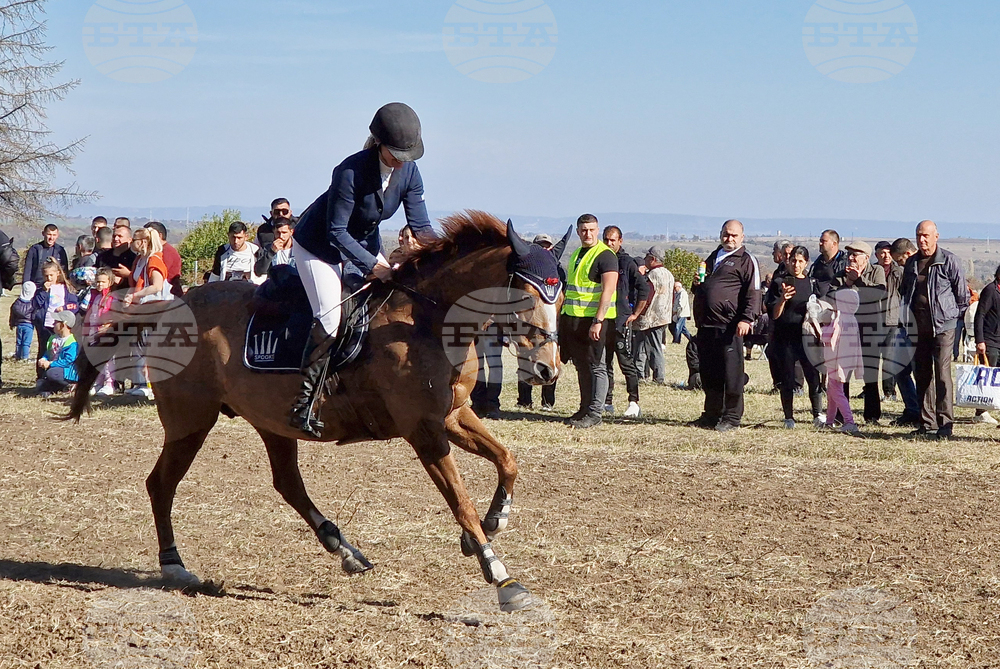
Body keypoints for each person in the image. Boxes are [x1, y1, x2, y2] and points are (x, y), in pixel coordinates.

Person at [289, 102, 435, 437]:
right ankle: (304, 402)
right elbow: (336, 232)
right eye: (397, 152)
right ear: (380, 143)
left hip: (364, 241)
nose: (403, 159)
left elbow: (422, 226)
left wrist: (435, 256)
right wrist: (374, 266)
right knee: (330, 316)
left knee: (382, 306)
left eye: (407, 153)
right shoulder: (350, 171)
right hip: (319, 247)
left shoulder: (410, 171)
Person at [690, 220, 761, 432]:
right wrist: (696, 284)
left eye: (734, 235)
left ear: (742, 237)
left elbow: (754, 291)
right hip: (707, 324)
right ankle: (711, 414)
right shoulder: (714, 257)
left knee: (732, 373)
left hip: (730, 325)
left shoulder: (746, 260)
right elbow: (704, 288)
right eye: (726, 234)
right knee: (710, 372)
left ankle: (731, 416)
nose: (729, 239)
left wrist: (747, 318)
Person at [900, 220, 968, 439]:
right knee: (922, 373)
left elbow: (962, 297)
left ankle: (945, 423)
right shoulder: (911, 263)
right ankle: (926, 422)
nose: (922, 240)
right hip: (918, 328)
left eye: (926, 236)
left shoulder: (949, 261)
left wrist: (952, 320)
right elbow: (905, 293)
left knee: (942, 373)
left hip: (944, 327)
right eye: (919, 235)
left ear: (936, 236)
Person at [559, 214, 618, 429]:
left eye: (592, 229)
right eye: (584, 230)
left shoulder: (605, 255)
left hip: (596, 322)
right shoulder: (576, 254)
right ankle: (584, 409)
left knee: (597, 366)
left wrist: (598, 320)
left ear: (597, 229)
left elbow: (608, 290)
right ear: (578, 231)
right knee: (582, 366)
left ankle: (595, 412)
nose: (588, 234)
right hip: (575, 320)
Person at [765, 245, 824, 428]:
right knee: (788, 378)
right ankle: (789, 417)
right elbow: (774, 314)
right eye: (793, 261)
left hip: (806, 337)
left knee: (813, 376)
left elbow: (822, 307)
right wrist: (783, 298)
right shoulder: (779, 282)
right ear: (788, 261)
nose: (796, 265)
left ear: (806, 262)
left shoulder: (812, 283)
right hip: (785, 337)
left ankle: (817, 414)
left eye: (800, 261)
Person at [835, 240, 887, 424]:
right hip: (846, 330)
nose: (851, 258)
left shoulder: (877, 271)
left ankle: (872, 416)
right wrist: (848, 282)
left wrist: (858, 280)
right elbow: (833, 295)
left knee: (870, 374)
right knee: (844, 374)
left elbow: (878, 294)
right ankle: (842, 414)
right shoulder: (842, 274)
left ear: (866, 257)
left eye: (855, 254)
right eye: (849, 254)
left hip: (870, 329)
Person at [601, 226, 648, 418]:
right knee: (605, 363)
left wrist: (635, 313)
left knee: (626, 363)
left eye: (613, 240)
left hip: (621, 321)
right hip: (604, 320)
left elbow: (643, 289)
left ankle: (633, 402)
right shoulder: (601, 260)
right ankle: (607, 401)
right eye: (606, 240)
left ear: (620, 241)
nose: (609, 243)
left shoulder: (627, 263)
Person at [123, 227, 174, 399]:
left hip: (154, 306)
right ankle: (139, 382)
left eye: (135, 240)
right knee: (138, 344)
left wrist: (135, 295)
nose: (132, 243)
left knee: (148, 344)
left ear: (144, 241)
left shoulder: (154, 260)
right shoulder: (140, 260)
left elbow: (157, 286)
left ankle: (150, 385)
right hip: (141, 307)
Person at [516, 233, 561, 411]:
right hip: (529, 325)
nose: (544, 249)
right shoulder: (524, 275)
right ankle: (524, 400)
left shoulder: (558, 271)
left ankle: (548, 402)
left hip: (550, 326)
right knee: (526, 359)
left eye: (547, 246)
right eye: (541, 246)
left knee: (550, 360)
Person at [822, 289, 865, 435]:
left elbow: (827, 338)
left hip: (835, 360)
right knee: (832, 390)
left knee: (836, 390)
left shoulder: (839, 320)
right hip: (845, 360)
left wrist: (818, 324)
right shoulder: (852, 319)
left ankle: (849, 421)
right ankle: (829, 421)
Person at [888, 238, 920, 425]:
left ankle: (924, 412)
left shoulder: (920, 267)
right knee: (898, 369)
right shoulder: (907, 269)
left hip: (918, 328)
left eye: (899, 260)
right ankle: (912, 408)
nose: (898, 264)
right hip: (903, 325)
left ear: (907, 254)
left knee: (919, 372)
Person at [634, 246, 673, 386]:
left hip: (651, 318)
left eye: (647, 257)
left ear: (653, 259)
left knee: (652, 348)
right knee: (644, 346)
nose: (645, 259)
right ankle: (640, 374)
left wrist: (638, 313)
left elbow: (646, 295)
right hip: (664, 316)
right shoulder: (669, 274)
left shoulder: (653, 275)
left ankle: (658, 377)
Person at [31, 259, 78, 373]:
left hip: (61, 325)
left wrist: (64, 308)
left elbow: (75, 305)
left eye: (51, 275)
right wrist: (43, 291)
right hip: (46, 324)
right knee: (45, 349)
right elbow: (36, 304)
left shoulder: (66, 288)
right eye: (46, 276)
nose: (49, 278)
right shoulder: (41, 290)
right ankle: (41, 377)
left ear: (58, 273)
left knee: (61, 349)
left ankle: (60, 374)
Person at [83, 267, 118, 397]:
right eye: (98, 282)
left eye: (103, 282)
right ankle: (97, 382)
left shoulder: (112, 298)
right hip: (94, 331)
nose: (100, 285)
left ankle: (109, 383)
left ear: (110, 282)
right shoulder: (95, 297)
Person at [35, 310, 79, 397]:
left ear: (63, 325)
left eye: (56, 322)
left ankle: (70, 384)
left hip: (67, 372)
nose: (53, 324)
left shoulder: (72, 342)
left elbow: (68, 361)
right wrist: (44, 359)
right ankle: (54, 388)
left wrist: (51, 364)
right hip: (53, 368)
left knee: (51, 373)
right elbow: (48, 352)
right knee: (41, 383)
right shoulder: (53, 338)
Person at [145, 222, 184, 298]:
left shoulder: (166, 252)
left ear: (159, 235)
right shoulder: (158, 251)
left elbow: (160, 277)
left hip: (169, 296)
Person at [809, 229, 847, 297]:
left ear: (834, 244)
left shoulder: (843, 264)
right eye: (820, 241)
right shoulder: (816, 264)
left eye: (824, 241)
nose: (820, 244)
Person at [9, 281, 36, 361]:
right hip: (29, 325)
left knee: (19, 341)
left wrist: (12, 323)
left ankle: (18, 355)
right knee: (26, 343)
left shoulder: (17, 302)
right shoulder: (33, 302)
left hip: (19, 325)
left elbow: (13, 313)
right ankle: (24, 357)